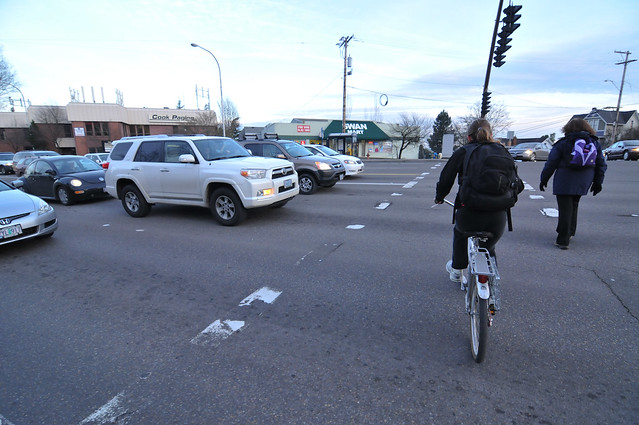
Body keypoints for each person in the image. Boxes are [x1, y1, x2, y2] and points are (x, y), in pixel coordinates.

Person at [434, 119, 520, 283]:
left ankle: (457, 270)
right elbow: (516, 183)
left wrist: (440, 197)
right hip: (498, 215)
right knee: (489, 247)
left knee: (460, 234)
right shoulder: (503, 152)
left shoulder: (464, 152)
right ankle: (492, 284)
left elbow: (446, 178)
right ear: (491, 135)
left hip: (470, 211)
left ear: (469, 137)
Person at [539, 118, 607, 250]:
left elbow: (551, 163)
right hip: (585, 178)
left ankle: (562, 240)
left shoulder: (563, 143)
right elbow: (601, 163)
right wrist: (598, 181)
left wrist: (544, 179)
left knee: (565, 208)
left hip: (565, 179)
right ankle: (570, 232)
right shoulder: (593, 142)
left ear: (567, 128)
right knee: (574, 205)